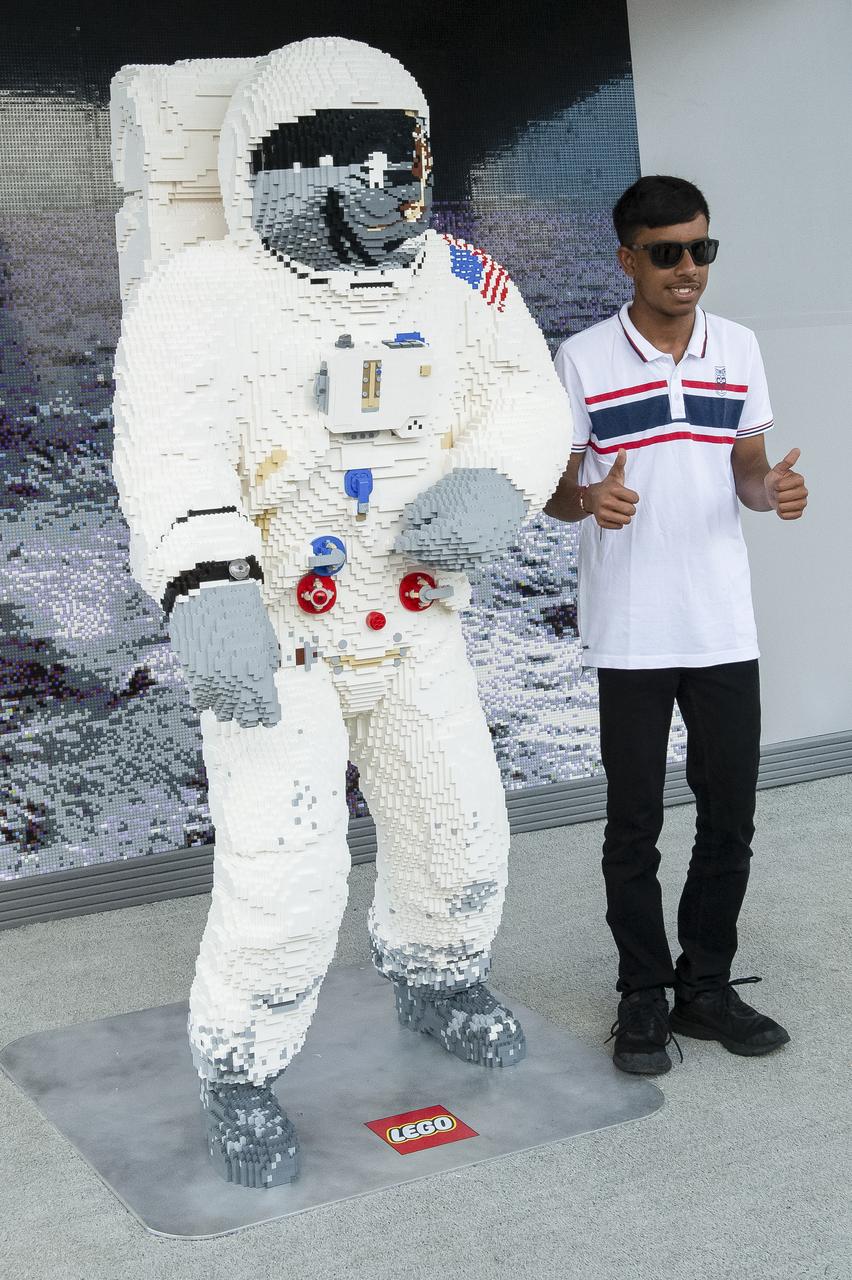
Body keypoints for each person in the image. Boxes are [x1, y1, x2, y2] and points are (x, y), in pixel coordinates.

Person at [111, 37, 570, 1186]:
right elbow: (170, 445)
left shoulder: (462, 280)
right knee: (285, 863)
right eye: (333, 163)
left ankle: (439, 966)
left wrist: (496, 486)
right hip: (280, 634)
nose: (375, 190)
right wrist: (205, 584)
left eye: (394, 161)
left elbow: (527, 394)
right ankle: (241, 1063)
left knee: (457, 819)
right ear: (260, 166)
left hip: (413, 616)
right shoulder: (207, 293)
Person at [545, 175, 808, 1075]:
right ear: (628, 259)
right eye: (667, 253)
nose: (689, 268)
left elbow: (747, 469)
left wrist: (768, 493)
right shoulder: (581, 359)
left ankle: (705, 986)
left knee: (730, 817)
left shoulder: (739, 349)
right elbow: (553, 494)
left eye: (702, 249)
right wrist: (591, 498)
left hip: (724, 626)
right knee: (635, 824)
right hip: (631, 630)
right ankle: (641, 994)